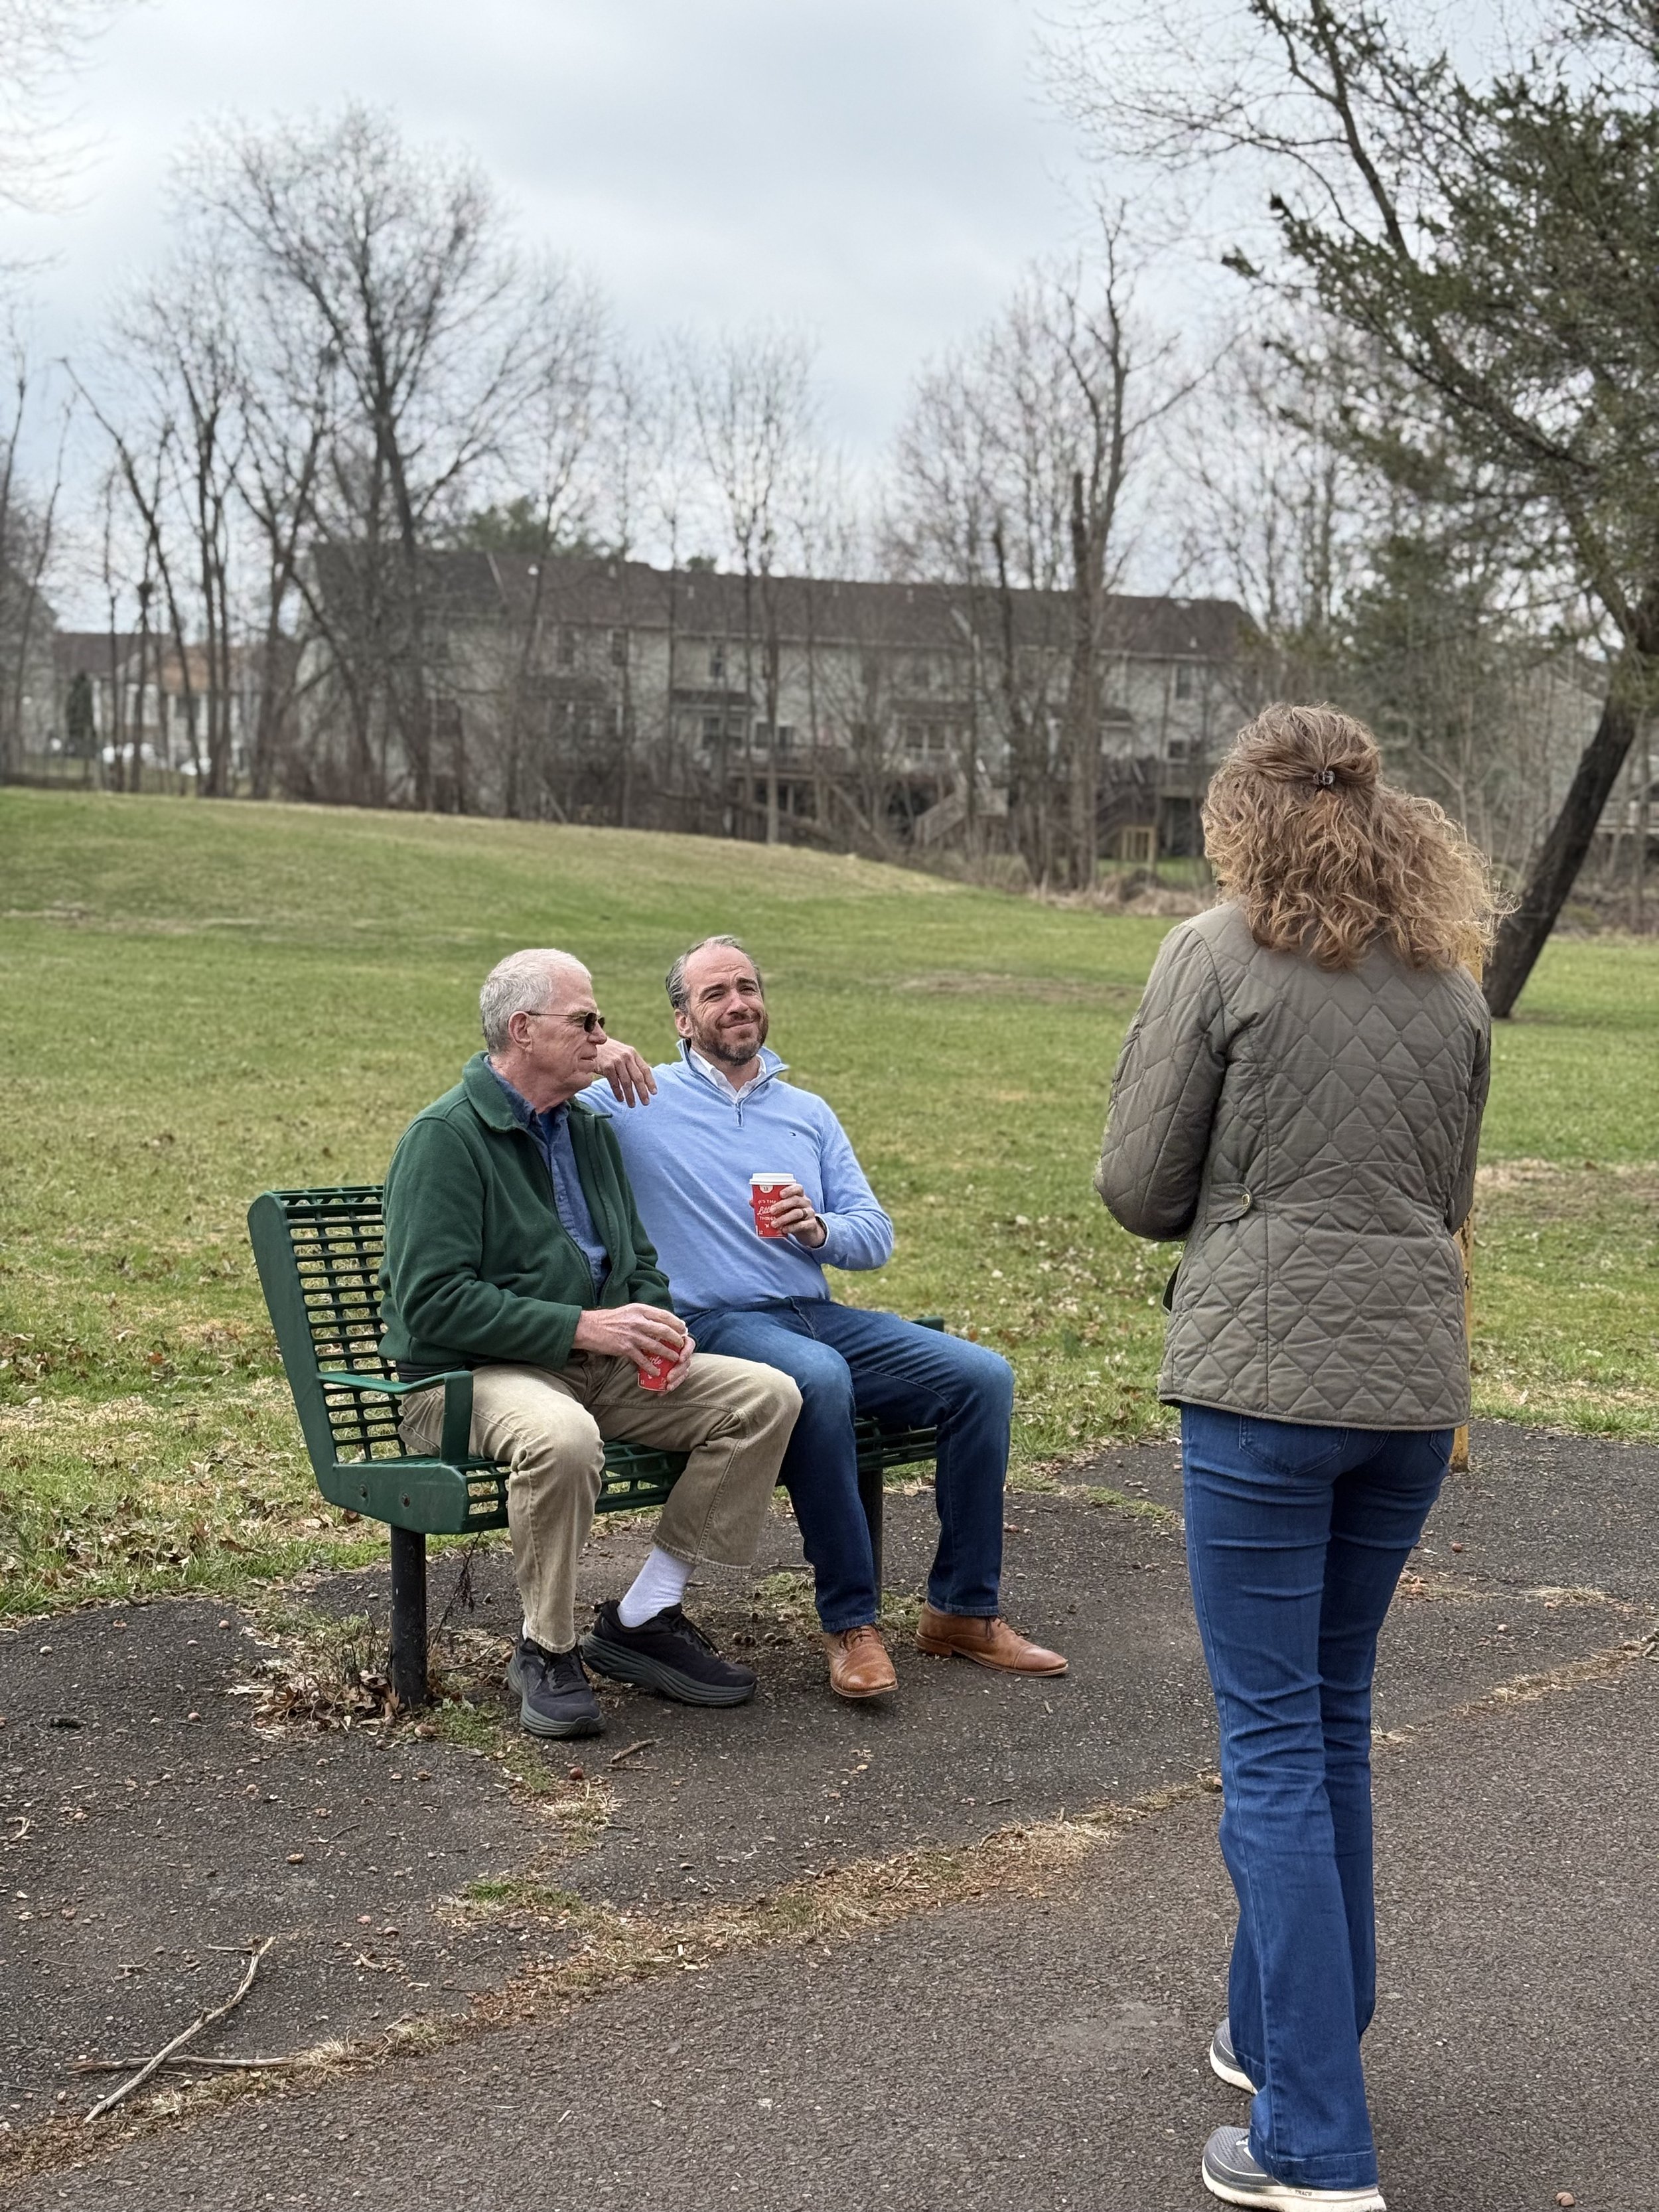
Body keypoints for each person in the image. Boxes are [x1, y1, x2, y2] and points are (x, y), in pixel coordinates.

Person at [1096, 705, 1495, 2212]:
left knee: (1271, 1743)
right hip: (1405, 1389)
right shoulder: (1449, 983)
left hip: (1265, 1386)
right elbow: (1444, 1190)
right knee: (1328, 1725)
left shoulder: (1212, 953)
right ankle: (1287, 2033)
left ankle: (1316, 2146)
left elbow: (1139, 1185)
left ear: (1243, 816)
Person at [583, 933, 1067, 1702]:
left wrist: (819, 1231)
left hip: (811, 1307)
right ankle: (850, 1623)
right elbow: (527, 1098)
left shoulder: (805, 1112)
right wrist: (598, 1059)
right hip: (712, 1322)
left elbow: (872, 1233)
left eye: (747, 987)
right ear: (681, 1020)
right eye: (714, 994)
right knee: (818, 1377)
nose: (738, 1003)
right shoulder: (633, 1100)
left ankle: (962, 1611)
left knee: (982, 1377)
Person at [379, 947, 802, 1742]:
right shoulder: (445, 1138)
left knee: (765, 1395)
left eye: (599, 1020)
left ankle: (644, 1617)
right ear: (522, 1030)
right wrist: (581, 1326)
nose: (603, 1038)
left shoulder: (589, 1130)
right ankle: (546, 1648)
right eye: (585, 1021)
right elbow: (430, 1303)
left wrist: (652, 1325)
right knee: (562, 1438)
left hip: (594, 1368)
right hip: (467, 1382)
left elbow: (634, 1259)